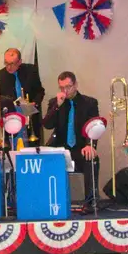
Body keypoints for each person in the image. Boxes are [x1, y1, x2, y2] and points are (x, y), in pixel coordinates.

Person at [43, 71, 101, 203]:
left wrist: (90, 145)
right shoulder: (55, 103)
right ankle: (51, 200)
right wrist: (56, 106)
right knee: (44, 160)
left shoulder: (89, 103)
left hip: (80, 147)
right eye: (62, 88)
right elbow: (47, 125)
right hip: (61, 148)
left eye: (68, 87)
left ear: (75, 85)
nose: (65, 91)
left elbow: (94, 126)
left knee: (91, 158)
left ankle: (91, 200)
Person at [0, 47, 45, 144]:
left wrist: (34, 103)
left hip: (30, 117)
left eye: (12, 64)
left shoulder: (31, 71)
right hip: (11, 119)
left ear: (19, 62)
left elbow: (40, 91)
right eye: (6, 63)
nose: (8, 67)